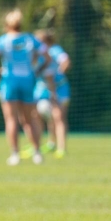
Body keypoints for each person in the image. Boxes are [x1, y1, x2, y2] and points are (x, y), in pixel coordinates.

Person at [0, 9, 52, 165]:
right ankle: (37, 153)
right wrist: (37, 71)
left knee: (11, 120)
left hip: (9, 82)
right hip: (28, 81)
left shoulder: (2, 40)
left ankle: (15, 154)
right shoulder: (30, 40)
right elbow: (47, 57)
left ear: (7, 25)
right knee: (29, 119)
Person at [33, 29, 70, 158]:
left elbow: (66, 61)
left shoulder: (55, 50)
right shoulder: (35, 53)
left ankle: (61, 148)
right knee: (35, 115)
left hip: (59, 88)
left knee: (58, 116)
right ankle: (43, 144)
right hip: (43, 88)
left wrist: (59, 73)